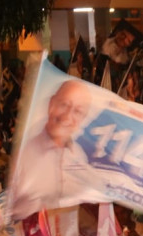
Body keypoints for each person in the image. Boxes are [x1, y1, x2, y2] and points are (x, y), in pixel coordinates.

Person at [14, 80, 93, 216]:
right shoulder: (26, 153)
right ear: (51, 103)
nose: (68, 116)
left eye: (78, 111)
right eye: (64, 105)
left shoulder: (80, 156)